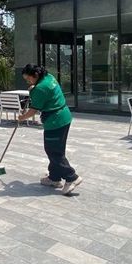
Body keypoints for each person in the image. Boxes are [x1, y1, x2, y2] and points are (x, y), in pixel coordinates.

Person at [17, 63, 82, 195]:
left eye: (29, 79)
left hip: (55, 121)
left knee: (53, 152)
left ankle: (72, 177)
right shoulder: (49, 77)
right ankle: (54, 178)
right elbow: (44, 93)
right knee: (56, 150)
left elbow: (33, 110)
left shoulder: (40, 89)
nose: (28, 82)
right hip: (64, 117)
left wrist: (22, 118)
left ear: (36, 75)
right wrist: (34, 89)